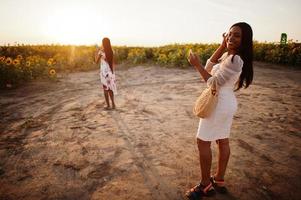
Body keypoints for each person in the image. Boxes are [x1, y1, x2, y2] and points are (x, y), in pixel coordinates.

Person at [185, 22, 253, 199]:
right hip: (224, 102)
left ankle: (205, 184)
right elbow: (209, 68)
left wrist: (195, 64)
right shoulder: (227, 56)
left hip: (219, 102)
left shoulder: (235, 59)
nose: (231, 37)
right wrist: (222, 46)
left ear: (245, 39)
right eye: (229, 34)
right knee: (222, 140)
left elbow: (212, 82)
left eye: (236, 35)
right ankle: (219, 179)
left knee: (203, 142)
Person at [94, 37, 117, 110]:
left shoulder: (101, 52)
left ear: (103, 43)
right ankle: (113, 104)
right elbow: (112, 62)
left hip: (104, 73)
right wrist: (112, 72)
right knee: (110, 89)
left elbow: (96, 62)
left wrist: (96, 51)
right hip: (110, 72)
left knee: (105, 89)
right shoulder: (112, 51)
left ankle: (108, 105)